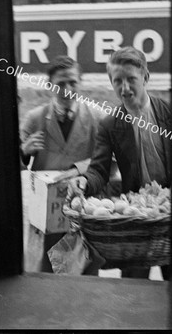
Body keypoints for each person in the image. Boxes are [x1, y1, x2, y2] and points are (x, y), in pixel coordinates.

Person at [68, 46, 171, 279]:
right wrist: (83, 181)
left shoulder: (170, 113)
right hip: (137, 215)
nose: (124, 88)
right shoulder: (109, 125)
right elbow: (99, 170)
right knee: (133, 288)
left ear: (145, 77)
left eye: (131, 79)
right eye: (117, 81)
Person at [20, 55, 104, 272]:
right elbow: (10, 164)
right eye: (60, 84)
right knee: (46, 274)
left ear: (81, 82)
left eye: (73, 82)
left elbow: (110, 159)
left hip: (82, 209)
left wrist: (78, 169)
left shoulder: (96, 118)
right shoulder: (34, 118)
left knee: (84, 276)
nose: (67, 89)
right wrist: (23, 151)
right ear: (49, 86)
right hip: (46, 214)